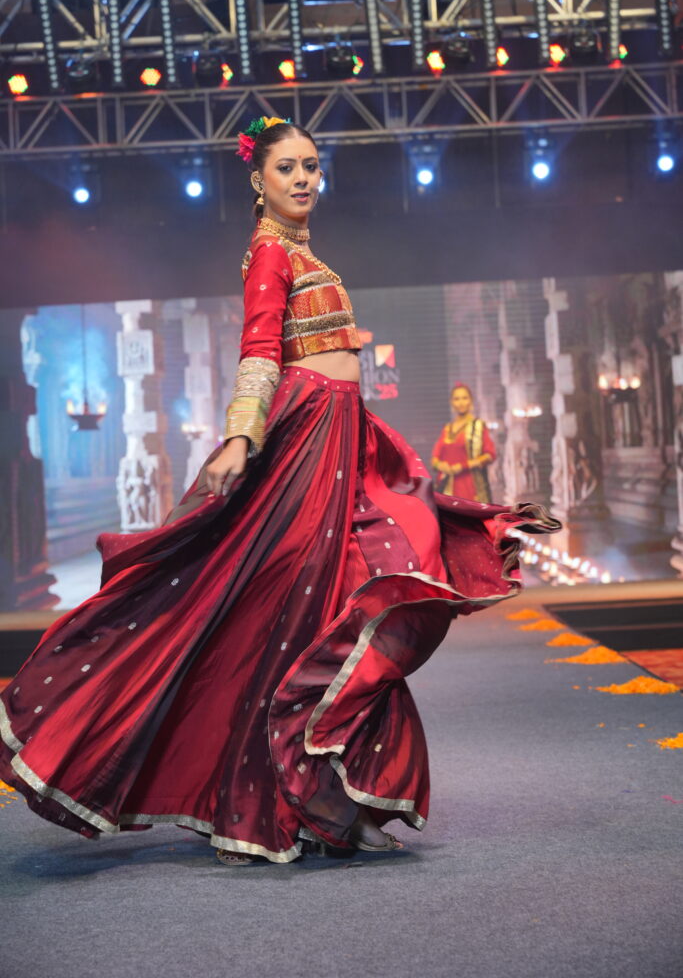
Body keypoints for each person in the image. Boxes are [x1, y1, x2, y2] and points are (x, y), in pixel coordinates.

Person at [0, 118, 558, 867]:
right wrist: (239, 437)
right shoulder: (269, 255)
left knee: (348, 593)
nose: (303, 179)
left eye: (313, 167)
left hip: (338, 436)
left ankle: (330, 794)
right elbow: (259, 352)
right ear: (257, 180)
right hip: (301, 441)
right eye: (288, 168)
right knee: (286, 607)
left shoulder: (303, 255)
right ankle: (275, 794)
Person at [431, 384, 497, 503]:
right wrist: (442, 466)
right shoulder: (447, 429)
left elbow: (490, 455)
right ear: (452, 402)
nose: (461, 402)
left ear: (470, 400)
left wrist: (463, 466)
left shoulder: (478, 426)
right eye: (457, 399)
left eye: (464, 398)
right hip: (448, 487)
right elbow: (434, 459)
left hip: (471, 487)